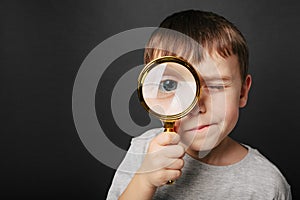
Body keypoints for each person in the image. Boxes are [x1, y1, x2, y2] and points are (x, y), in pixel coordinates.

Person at [106, 10, 292, 199]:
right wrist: (144, 181)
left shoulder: (268, 184)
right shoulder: (144, 150)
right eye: (170, 85)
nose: (196, 105)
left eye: (217, 85)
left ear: (242, 92)